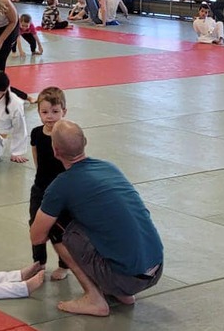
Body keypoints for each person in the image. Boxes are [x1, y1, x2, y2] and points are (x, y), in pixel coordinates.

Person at [29, 121, 164, 315]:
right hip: (156, 268)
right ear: (85, 142)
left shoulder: (60, 186)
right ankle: (121, 293)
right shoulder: (109, 167)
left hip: (126, 278)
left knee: (55, 224)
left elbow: (37, 237)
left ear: (55, 151)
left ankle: (94, 297)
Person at [28, 87, 72, 278]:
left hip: (63, 191)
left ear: (64, 111)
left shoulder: (67, 135)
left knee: (62, 227)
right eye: (44, 112)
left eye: (55, 111)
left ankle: (64, 264)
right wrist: (40, 176)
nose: (50, 116)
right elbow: (36, 154)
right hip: (40, 188)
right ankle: (39, 263)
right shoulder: (37, 133)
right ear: (38, 112)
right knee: (35, 224)